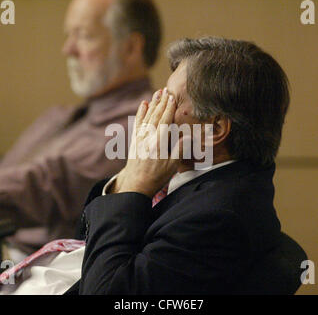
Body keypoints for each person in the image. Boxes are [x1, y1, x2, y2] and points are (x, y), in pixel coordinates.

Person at [0, 36, 290, 295]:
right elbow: (88, 240)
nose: (150, 110)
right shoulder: (196, 178)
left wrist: (135, 188)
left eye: (170, 101)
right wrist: (128, 178)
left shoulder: (220, 218)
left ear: (214, 129)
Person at [0, 0, 161, 261]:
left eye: (83, 36)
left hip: (36, 272)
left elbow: (46, 185)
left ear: (130, 47)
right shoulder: (58, 115)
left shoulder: (138, 127)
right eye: (68, 35)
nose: (67, 49)